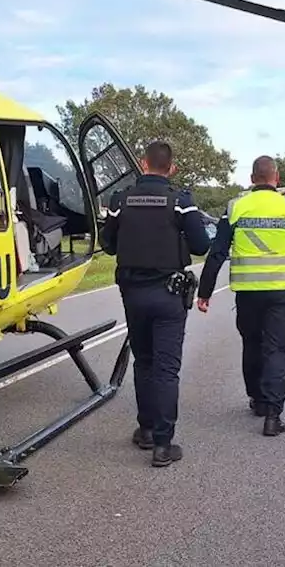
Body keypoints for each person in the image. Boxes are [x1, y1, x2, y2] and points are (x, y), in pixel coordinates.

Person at [99, 142, 211, 467]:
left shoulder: (121, 200)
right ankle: (164, 444)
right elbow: (202, 245)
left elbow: (107, 244)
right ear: (171, 168)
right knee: (166, 368)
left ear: (142, 163)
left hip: (133, 293)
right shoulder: (180, 202)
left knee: (144, 361)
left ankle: (146, 429)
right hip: (168, 294)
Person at [197, 156, 285, 436]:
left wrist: (205, 291)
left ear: (252, 179)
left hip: (248, 292)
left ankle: (258, 399)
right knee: (276, 349)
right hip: (280, 291)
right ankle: (273, 415)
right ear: (276, 178)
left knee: (252, 343)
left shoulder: (235, 207)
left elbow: (218, 251)